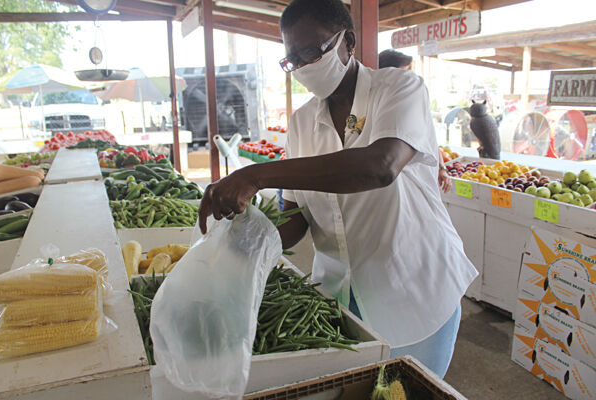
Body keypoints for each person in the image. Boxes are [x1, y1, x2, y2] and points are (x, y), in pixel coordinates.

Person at [198, 0, 477, 378]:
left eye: (312, 52)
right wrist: (243, 238)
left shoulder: (398, 89)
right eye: (293, 59)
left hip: (415, 290)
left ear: (348, 42)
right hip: (339, 298)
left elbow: (381, 166)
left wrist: (256, 175)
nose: (303, 66)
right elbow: (296, 219)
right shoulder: (301, 123)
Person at [378, 49, 452, 193]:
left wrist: (442, 168)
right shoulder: (381, 105)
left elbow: (429, 137)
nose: (411, 78)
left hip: (421, 180)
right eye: (405, 73)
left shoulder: (415, 102)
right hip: (398, 186)